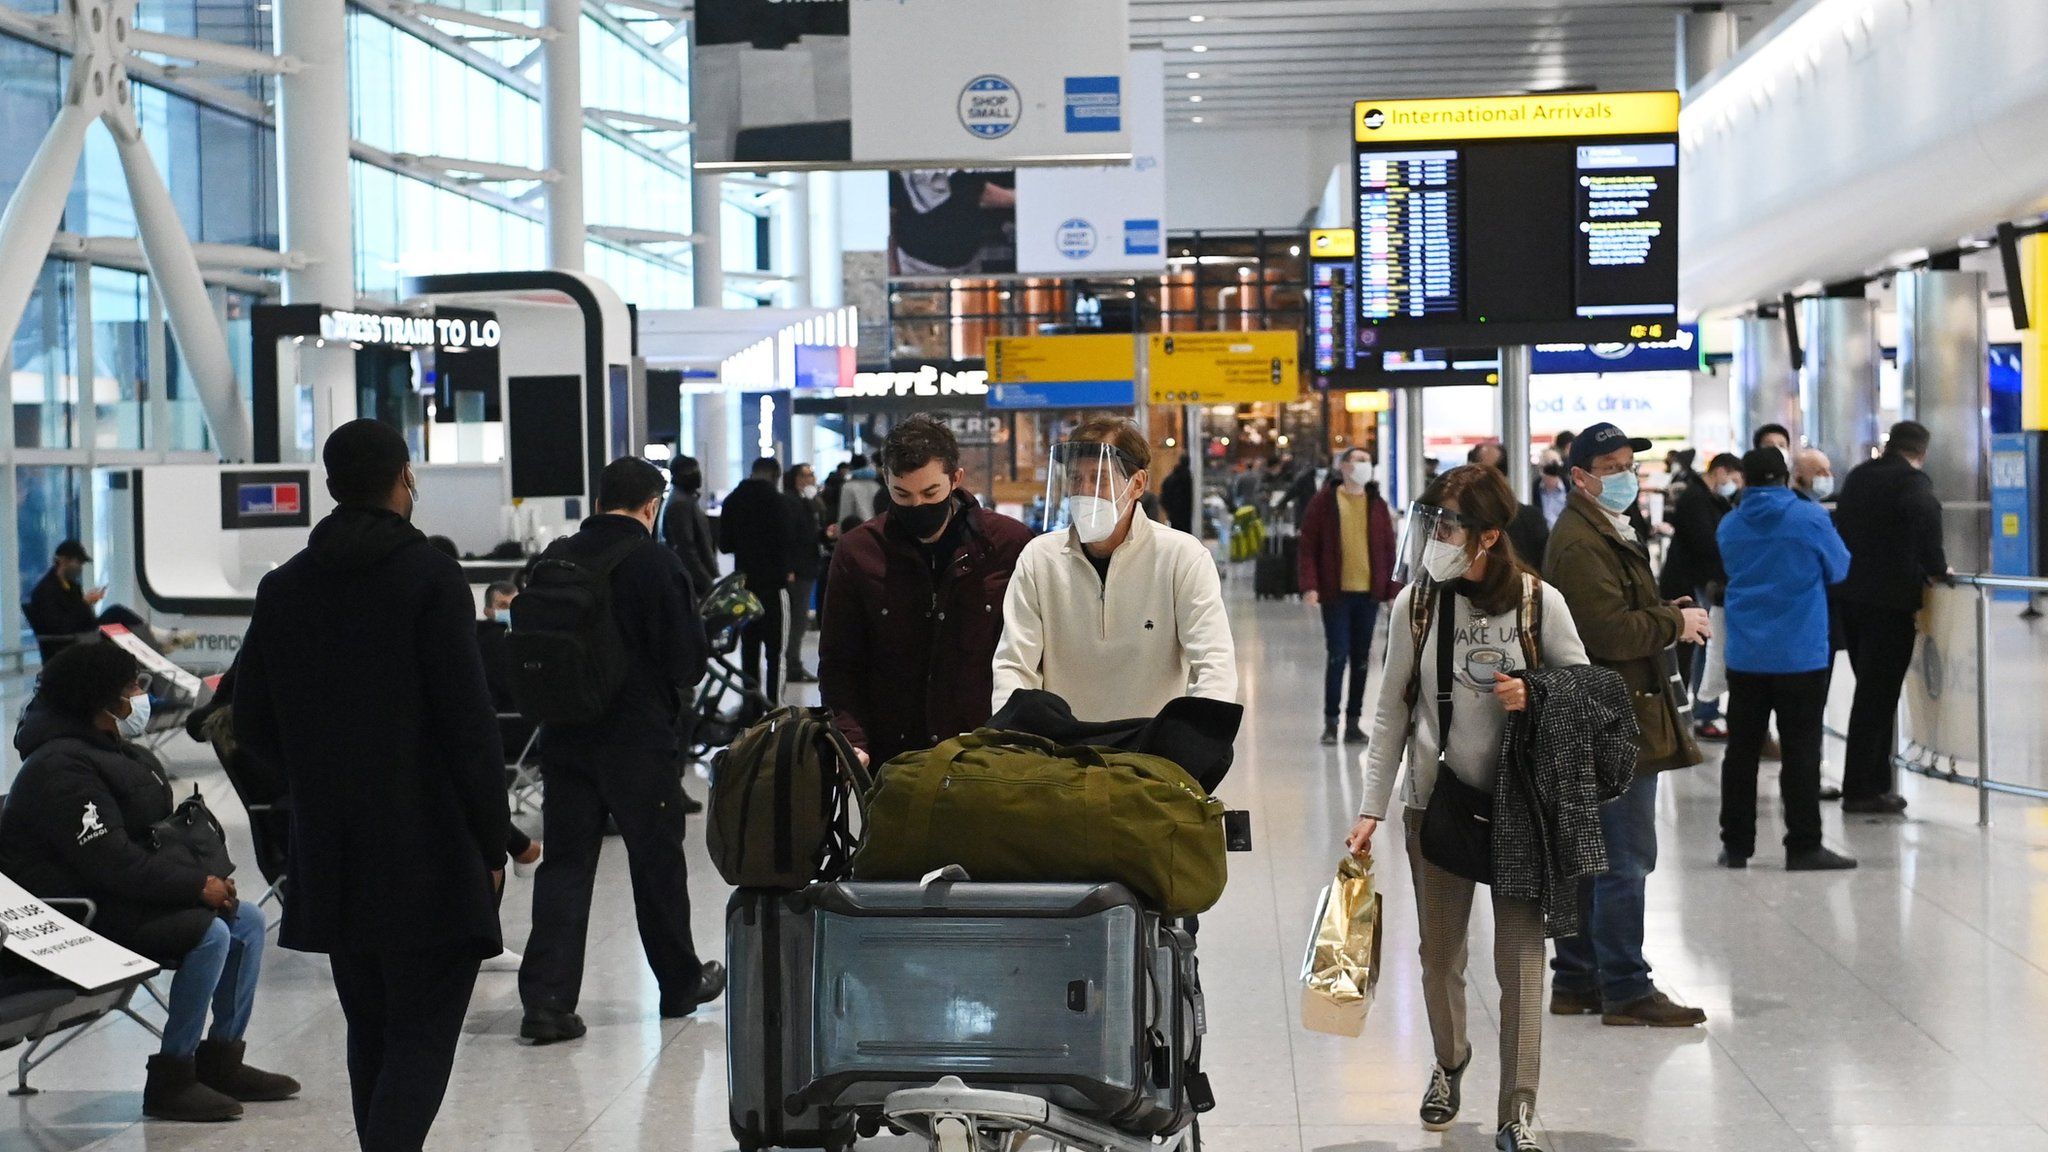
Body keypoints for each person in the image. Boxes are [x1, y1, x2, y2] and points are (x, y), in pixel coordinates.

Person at [235, 419, 509, 1152]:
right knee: (424, 1030)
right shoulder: (429, 577)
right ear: (403, 479)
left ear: (328, 487)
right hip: (429, 840)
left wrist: (317, 776)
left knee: (373, 1026)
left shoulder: (284, 586)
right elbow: (467, 720)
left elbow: (251, 722)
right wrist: (496, 836)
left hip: (332, 844)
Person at [1343, 465, 1589, 1152]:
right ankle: (1450, 1063)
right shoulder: (1417, 606)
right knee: (1439, 956)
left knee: (1520, 963)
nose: (1437, 538)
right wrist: (1372, 805)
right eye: (1432, 523)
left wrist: (1535, 694)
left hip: (1522, 810)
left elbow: (1585, 690)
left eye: (1449, 525)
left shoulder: (1541, 604)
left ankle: (1518, 1110)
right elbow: (1391, 712)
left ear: (1489, 535)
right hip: (1436, 805)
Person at [0, 642, 296, 1122]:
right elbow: (110, 862)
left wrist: (205, 878)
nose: (141, 696)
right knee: (209, 933)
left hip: (117, 895)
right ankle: (172, 1077)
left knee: (245, 921)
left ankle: (221, 1059)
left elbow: (150, 841)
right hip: (79, 912)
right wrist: (195, 887)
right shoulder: (60, 769)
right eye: (132, 687)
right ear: (100, 700)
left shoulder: (113, 751)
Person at [519, 457, 717, 1043]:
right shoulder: (658, 564)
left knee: (566, 866)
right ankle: (679, 984)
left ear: (598, 498)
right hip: (638, 741)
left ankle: (547, 1002)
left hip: (565, 738)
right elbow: (688, 663)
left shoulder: (554, 558)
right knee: (655, 863)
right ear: (651, 506)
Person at [1542, 422, 1709, 1028]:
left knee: (1595, 854)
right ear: (1580, 477)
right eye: (1610, 467)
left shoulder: (1604, 530)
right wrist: (1673, 624)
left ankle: (1578, 978)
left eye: (1628, 465)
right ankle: (1626, 987)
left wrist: (1666, 614)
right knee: (1625, 857)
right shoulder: (1582, 543)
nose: (1625, 477)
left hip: (1609, 713)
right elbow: (1605, 631)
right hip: (1611, 719)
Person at [820, 415, 1033, 767]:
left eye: (930, 492)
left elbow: (1032, 654)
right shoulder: (858, 552)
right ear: (885, 481)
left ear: (956, 479)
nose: (917, 505)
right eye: (902, 494)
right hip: (895, 757)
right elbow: (839, 661)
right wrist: (852, 738)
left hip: (985, 754)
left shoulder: (1009, 545)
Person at [993, 417, 1237, 722]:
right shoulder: (1040, 559)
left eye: (1099, 479)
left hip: (1151, 753)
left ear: (1136, 484)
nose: (1084, 492)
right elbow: (1014, 665)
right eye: (1075, 479)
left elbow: (1214, 663)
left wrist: (1193, 743)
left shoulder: (1182, 558)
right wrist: (1012, 743)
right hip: (1065, 753)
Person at [1716, 448, 1857, 871]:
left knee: (1741, 751)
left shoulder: (1730, 525)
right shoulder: (1810, 518)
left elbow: (1728, 570)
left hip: (1746, 655)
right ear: (1786, 478)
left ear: (1745, 480)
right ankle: (1803, 845)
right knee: (1801, 751)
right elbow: (1840, 568)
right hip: (1800, 654)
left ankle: (1736, 845)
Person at [1831, 420, 1948, 815]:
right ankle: (1862, 789)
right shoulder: (1911, 481)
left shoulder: (1860, 476)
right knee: (1877, 698)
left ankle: (1873, 782)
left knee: (1870, 691)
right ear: (1921, 452)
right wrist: (1936, 567)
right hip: (1889, 602)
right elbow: (1927, 512)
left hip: (1850, 597)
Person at [1297, 447, 1396, 746]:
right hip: (1336, 594)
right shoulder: (1324, 502)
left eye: (1368, 461)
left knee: (1362, 659)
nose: (1364, 466)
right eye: (1358, 460)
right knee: (1338, 655)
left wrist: (1392, 590)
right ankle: (1331, 722)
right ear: (1343, 466)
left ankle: (1354, 722)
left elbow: (1389, 551)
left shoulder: (1377, 504)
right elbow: (1308, 546)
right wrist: (1310, 585)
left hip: (1369, 595)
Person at [1660, 452, 1742, 740]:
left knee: (1705, 644)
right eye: (1732, 478)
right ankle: (1704, 710)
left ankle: (1704, 707)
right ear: (1720, 471)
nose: (1732, 484)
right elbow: (1705, 542)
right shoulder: (1696, 499)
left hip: (1703, 580)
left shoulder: (1707, 498)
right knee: (1705, 643)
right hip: (1695, 582)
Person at [23, 540, 189, 660]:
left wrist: (87, 606)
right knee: (115, 614)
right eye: (77, 562)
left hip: (83, 635)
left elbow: (84, 619)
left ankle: (155, 641)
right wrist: (85, 604)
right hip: (68, 643)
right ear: (64, 561)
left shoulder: (71, 586)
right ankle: (156, 641)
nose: (80, 567)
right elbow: (60, 626)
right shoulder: (45, 591)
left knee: (116, 613)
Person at [719, 458, 797, 702]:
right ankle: (775, 709)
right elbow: (788, 543)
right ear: (776, 476)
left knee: (748, 651)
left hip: (745, 590)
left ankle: (750, 709)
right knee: (777, 653)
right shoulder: (780, 503)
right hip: (774, 587)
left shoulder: (733, 501)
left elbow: (724, 545)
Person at [782, 463, 828, 684]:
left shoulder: (809, 501)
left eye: (812, 475)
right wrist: (789, 567)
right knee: (796, 620)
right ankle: (792, 665)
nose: (811, 479)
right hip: (799, 569)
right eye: (806, 475)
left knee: (799, 620)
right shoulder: (791, 502)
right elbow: (789, 536)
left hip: (808, 565)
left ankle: (794, 664)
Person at [660, 455, 719, 604]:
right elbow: (686, 548)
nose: (696, 474)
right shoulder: (680, 503)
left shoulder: (683, 499)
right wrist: (707, 583)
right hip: (691, 584)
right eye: (690, 471)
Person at [837, 453, 882, 528]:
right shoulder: (876, 485)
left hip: (858, 530)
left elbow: (845, 513)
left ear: (851, 466)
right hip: (877, 528)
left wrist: (840, 533)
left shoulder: (848, 487)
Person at [1161, 453, 1195, 535]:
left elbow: (1164, 495)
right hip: (1186, 513)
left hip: (1175, 514)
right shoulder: (1189, 477)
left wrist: (1168, 510)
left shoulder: (1172, 477)